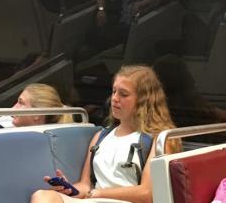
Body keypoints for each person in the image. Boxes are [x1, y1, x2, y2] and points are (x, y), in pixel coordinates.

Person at [30, 65, 179, 203]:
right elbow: (86, 186)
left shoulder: (159, 139)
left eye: (123, 94)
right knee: (42, 196)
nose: (114, 98)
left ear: (143, 101)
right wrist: (71, 189)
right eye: (114, 91)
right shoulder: (101, 136)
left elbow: (147, 193)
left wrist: (99, 194)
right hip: (95, 199)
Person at [90, 0, 170, 52]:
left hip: (142, 31)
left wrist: (141, 4)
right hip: (122, 29)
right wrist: (101, 10)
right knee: (91, 37)